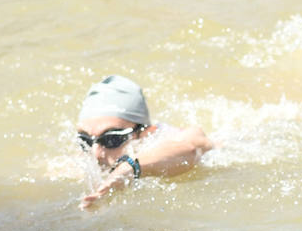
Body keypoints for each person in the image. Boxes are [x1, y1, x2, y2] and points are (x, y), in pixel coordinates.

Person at [75, 75, 214, 209]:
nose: (96, 153)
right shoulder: (87, 155)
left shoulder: (172, 137)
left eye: (111, 139)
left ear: (146, 132)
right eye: (85, 140)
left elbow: (190, 149)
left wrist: (128, 169)